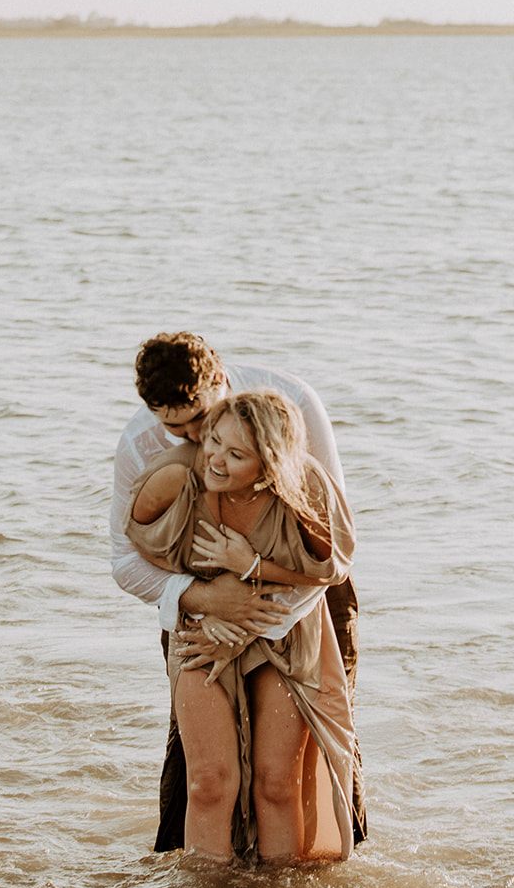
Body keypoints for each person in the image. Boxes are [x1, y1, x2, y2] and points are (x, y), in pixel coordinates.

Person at [110, 332, 366, 849]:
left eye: (200, 419)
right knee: (206, 774)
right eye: (173, 425)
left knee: (295, 769)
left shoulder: (292, 403)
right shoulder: (142, 446)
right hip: (200, 600)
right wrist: (203, 600)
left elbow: (326, 543)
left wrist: (253, 602)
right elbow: (126, 562)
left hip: (301, 593)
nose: (192, 438)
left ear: (219, 381)